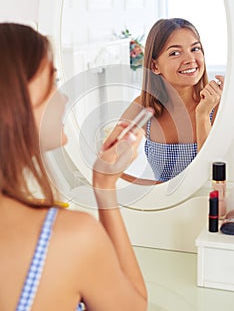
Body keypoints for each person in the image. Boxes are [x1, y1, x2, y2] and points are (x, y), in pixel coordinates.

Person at [0, 23, 147, 311]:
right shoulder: (69, 238)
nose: (64, 96)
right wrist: (105, 189)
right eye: (52, 81)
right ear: (14, 97)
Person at [104, 18, 224, 183]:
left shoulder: (218, 105)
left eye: (195, 49)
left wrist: (202, 115)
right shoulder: (143, 107)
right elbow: (107, 161)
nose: (190, 59)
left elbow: (210, 178)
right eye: (175, 53)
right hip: (162, 206)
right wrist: (157, 190)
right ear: (155, 67)